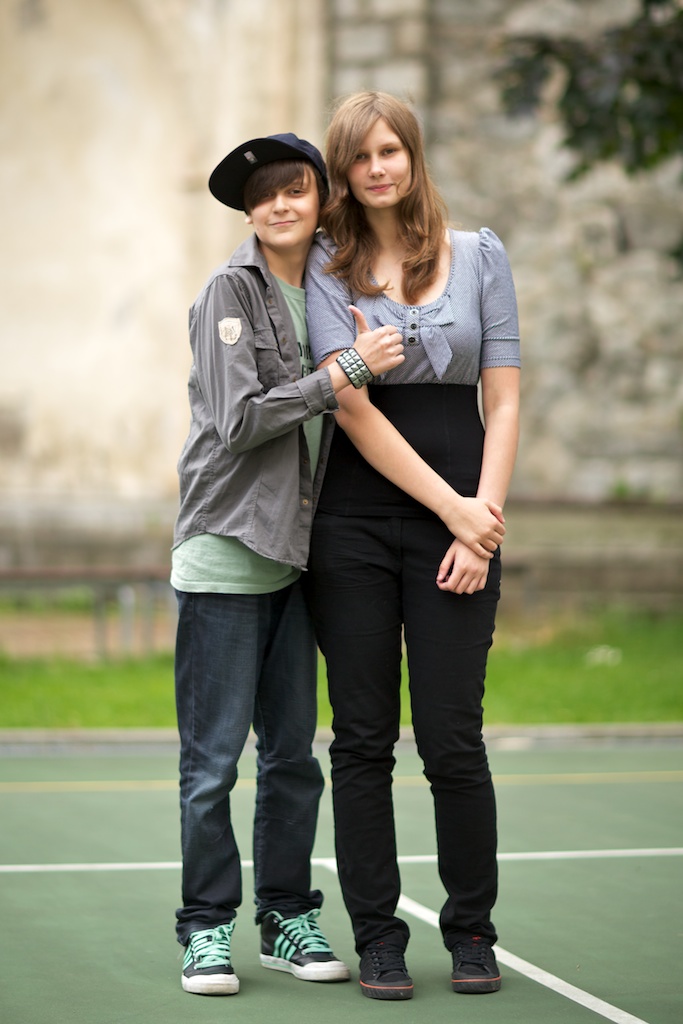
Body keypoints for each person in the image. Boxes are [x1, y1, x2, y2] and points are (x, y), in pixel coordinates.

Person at [171, 131, 405, 997]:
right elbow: (238, 422)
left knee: (293, 759)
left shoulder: (335, 288)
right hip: (228, 552)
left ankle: (284, 917)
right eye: (263, 194)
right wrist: (341, 373)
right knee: (212, 766)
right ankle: (205, 927)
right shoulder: (229, 293)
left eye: (295, 189)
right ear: (248, 211)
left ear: (320, 200)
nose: (279, 204)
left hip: (302, 555)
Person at [304, 92, 521, 1001]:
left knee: (451, 737)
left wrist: (481, 521)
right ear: (342, 173)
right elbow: (349, 408)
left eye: (389, 149)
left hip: (463, 519)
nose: (377, 168)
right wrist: (454, 510)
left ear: (412, 154)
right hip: (352, 524)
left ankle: (471, 931)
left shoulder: (479, 255)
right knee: (361, 740)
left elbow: (501, 396)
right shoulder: (325, 267)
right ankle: (377, 937)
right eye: (359, 157)